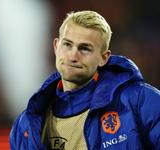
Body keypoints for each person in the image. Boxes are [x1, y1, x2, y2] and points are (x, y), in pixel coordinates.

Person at [9, 10, 160, 150]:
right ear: (56, 47)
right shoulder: (25, 125)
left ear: (103, 58)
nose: (73, 57)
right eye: (67, 45)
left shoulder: (139, 102)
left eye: (84, 49)